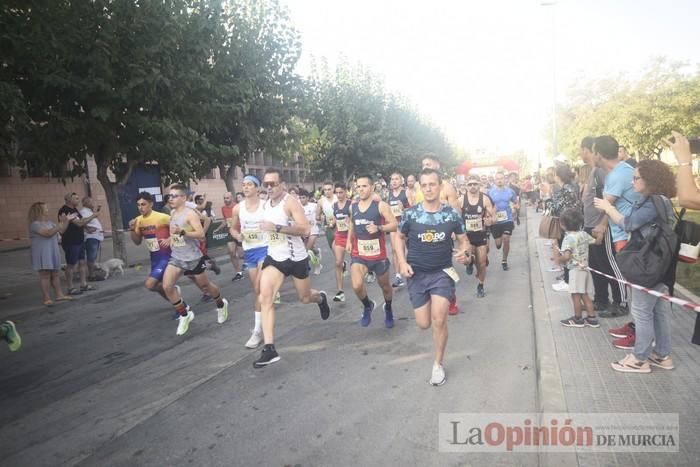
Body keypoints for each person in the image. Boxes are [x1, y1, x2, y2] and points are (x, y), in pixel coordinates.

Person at [594, 160, 677, 373]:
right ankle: (662, 355)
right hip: (661, 262)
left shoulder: (651, 202)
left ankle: (639, 359)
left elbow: (628, 223)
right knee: (659, 310)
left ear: (649, 180)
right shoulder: (663, 200)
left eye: (636, 178)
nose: (632, 182)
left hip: (647, 263)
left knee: (641, 311)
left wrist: (608, 208)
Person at [393, 168, 471, 386]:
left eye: (432, 184)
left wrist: (466, 252)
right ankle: (436, 348)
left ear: (440, 186)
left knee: (439, 319)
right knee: (423, 323)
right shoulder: (410, 214)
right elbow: (398, 238)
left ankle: (438, 364)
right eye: (424, 185)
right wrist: (402, 261)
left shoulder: (451, 215)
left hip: (442, 274)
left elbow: (464, 240)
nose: (428, 189)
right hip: (416, 275)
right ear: (420, 187)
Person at [253, 168, 331, 368]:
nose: (269, 187)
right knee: (265, 298)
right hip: (275, 258)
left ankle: (320, 298)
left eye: (273, 183)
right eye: (266, 184)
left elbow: (305, 229)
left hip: (296, 258)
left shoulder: (290, 202)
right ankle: (270, 348)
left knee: (305, 298)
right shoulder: (265, 204)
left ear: (282, 185)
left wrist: (277, 228)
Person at [161, 184, 229, 336]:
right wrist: (169, 239)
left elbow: (201, 235)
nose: (170, 199)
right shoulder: (172, 213)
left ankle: (220, 304)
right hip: (177, 256)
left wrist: (184, 232)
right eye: (169, 196)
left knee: (205, 286)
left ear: (183, 198)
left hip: (193, 257)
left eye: (174, 196)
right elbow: (175, 233)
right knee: (166, 287)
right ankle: (185, 315)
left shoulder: (190, 214)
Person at [579, 136, 625, 316]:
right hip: (590, 225)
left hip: (600, 226)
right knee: (596, 265)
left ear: (589, 150)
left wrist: (603, 224)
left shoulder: (601, 172)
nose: (580, 153)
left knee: (610, 265)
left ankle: (621, 302)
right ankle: (601, 300)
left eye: (581, 149)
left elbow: (611, 199)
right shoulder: (594, 171)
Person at [591, 135, 637, 312]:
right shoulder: (623, 170)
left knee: (624, 273)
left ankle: (623, 304)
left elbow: (604, 206)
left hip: (624, 233)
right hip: (625, 230)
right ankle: (633, 319)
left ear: (599, 154)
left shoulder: (616, 175)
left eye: (593, 151)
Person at [346, 174, 398, 328]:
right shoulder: (353, 206)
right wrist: (349, 240)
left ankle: (388, 308)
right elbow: (352, 225)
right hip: (359, 254)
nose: (361, 189)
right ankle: (367, 305)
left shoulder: (381, 206)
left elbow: (394, 225)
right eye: (358, 186)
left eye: (364, 186)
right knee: (356, 285)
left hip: (378, 255)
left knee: (385, 287)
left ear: (372, 187)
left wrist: (379, 227)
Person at [414, 154, 462, 315]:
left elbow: (456, 209)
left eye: (428, 163)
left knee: (444, 264)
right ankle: (428, 293)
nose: (425, 166)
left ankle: (450, 295)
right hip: (423, 231)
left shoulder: (447, 187)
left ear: (437, 165)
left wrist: (456, 230)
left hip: (443, 230)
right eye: (423, 164)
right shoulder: (418, 187)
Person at [228, 175, 268, 348]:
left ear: (257, 188)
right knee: (257, 291)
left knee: (260, 287)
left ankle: (258, 331)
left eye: (249, 184)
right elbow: (233, 228)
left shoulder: (266, 206)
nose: (245, 187)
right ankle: (260, 325)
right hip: (250, 251)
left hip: (266, 249)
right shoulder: (238, 208)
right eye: (243, 185)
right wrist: (238, 236)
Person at [553, 208, 600, 328]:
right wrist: (599, 234)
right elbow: (597, 242)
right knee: (585, 294)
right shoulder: (584, 234)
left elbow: (567, 256)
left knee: (575, 296)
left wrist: (558, 259)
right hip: (585, 269)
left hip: (575, 270)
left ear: (563, 225)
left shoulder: (568, 238)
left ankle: (577, 318)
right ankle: (592, 318)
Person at [129, 192, 175, 303]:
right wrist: (131, 229)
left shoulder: (162, 217)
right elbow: (137, 242)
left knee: (150, 284)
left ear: (151, 204)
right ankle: (178, 302)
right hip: (154, 258)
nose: (140, 207)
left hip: (167, 257)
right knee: (158, 287)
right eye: (138, 205)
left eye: (143, 204)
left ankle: (177, 299)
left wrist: (170, 239)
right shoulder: (138, 220)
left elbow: (182, 229)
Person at [28, 202, 75, 306]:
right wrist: (61, 223)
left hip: (52, 250)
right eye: (45, 208)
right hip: (42, 252)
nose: (48, 210)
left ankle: (59, 295)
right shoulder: (35, 224)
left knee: (55, 274)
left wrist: (66, 221)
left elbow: (61, 230)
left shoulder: (50, 223)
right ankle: (46, 298)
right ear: (39, 211)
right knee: (45, 275)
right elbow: (47, 234)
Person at [461, 174, 495, 298]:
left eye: (475, 184)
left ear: (479, 185)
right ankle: (470, 262)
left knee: (481, 263)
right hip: (467, 236)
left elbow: (493, 217)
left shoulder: (485, 199)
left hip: (481, 235)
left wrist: (490, 221)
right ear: (466, 186)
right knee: (466, 260)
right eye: (470, 184)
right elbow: (455, 218)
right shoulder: (461, 200)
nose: (473, 186)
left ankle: (480, 285)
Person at [58, 192, 99, 295]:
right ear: (68, 199)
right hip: (71, 241)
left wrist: (87, 228)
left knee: (82, 262)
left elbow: (81, 222)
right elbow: (79, 222)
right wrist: (93, 216)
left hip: (80, 240)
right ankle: (70, 287)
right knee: (71, 265)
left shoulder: (75, 210)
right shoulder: (65, 211)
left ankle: (83, 284)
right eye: (76, 198)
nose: (78, 200)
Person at [550, 164, 581, 292]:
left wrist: (549, 198)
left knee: (567, 251)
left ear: (559, 176)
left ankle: (568, 281)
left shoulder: (566, 189)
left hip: (568, 224)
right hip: (570, 223)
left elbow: (557, 207)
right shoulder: (571, 187)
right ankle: (567, 279)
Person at [488, 172, 519, 271]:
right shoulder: (489, 192)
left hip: (508, 219)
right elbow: (485, 205)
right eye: (497, 179)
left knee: (506, 238)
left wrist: (516, 209)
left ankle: (504, 260)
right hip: (495, 221)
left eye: (501, 178)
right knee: (498, 245)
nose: (500, 180)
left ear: (505, 179)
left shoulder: (510, 191)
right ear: (495, 180)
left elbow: (516, 202)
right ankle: (498, 242)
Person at [387, 172, 411, 288]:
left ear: (401, 181)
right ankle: (398, 276)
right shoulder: (389, 194)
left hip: (406, 226)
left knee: (410, 249)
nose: (394, 181)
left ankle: (413, 269)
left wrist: (404, 208)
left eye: (396, 179)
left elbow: (414, 209)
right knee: (395, 250)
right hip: (394, 226)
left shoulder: (406, 192)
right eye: (392, 179)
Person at [214, 192, 244, 282]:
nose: (225, 200)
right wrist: (218, 229)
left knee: (242, 255)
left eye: (227, 198)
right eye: (224, 198)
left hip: (240, 233)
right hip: (230, 232)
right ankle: (239, 273)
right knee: (231, 252)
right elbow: (225, 221)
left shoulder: (238, 207)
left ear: (232, 198)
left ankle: (254, 263)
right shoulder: (223, 208)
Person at [330, 183, 351, 302]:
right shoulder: (335, 205)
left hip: (351, 236)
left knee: (358, 262)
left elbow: (356, 217)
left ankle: (369, 271)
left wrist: (350, 221)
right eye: (336, 193)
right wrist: (332, 223)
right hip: (340, 236)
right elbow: (335, 218)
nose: (338, 195)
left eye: (341, 192)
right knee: (338, 263)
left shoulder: (351, 204)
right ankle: (340, 291)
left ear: (346, 192)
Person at [79, 197, 104, 281]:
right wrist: (87, 228)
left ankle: (92, 274)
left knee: (93, 257)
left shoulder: (89, 211)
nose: (94, 203)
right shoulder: (84, 211)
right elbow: (82, 221)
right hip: (91, 237)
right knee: (91, 257)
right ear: (87, 203)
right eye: (92, 202)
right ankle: (91, 275)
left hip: (95, 236)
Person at [299, 189, 323, 275]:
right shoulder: (298, 207)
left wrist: (320, 219)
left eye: (303, 197)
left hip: (313, 231)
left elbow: (320, 213)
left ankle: (317, 266)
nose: (302, 199)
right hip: (304, 232)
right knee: (311, 250)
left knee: (307, 251)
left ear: (308, 198)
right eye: (300, 198)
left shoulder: (314, 206)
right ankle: (317, 252)